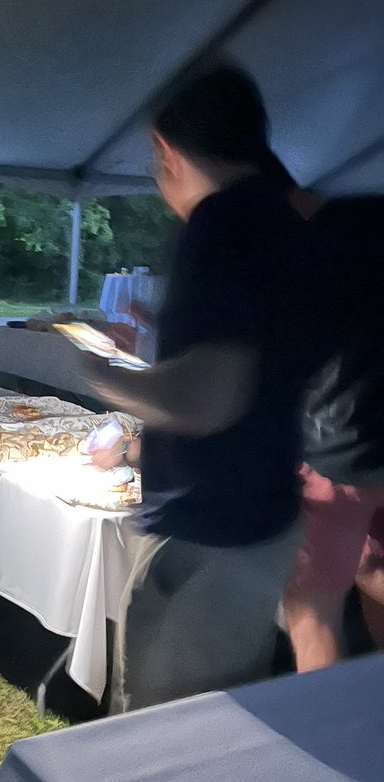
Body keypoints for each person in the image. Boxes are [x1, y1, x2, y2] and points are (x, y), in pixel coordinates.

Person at [78, 65, 330, 714]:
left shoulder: (220, 224)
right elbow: (249, 360)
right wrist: (158, 350)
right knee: (223, 727)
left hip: (205, 533)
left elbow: (205, 400)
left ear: (166, 150)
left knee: (163, 745)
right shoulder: (282, 220)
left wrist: (104, 373)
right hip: (263, 520)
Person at [279, 186, 384, 669]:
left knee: (312, 611)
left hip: (336, 451)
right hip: (367, 446)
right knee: (374, 569)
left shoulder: (317, 242)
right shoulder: (368, 217)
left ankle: (320, 745)